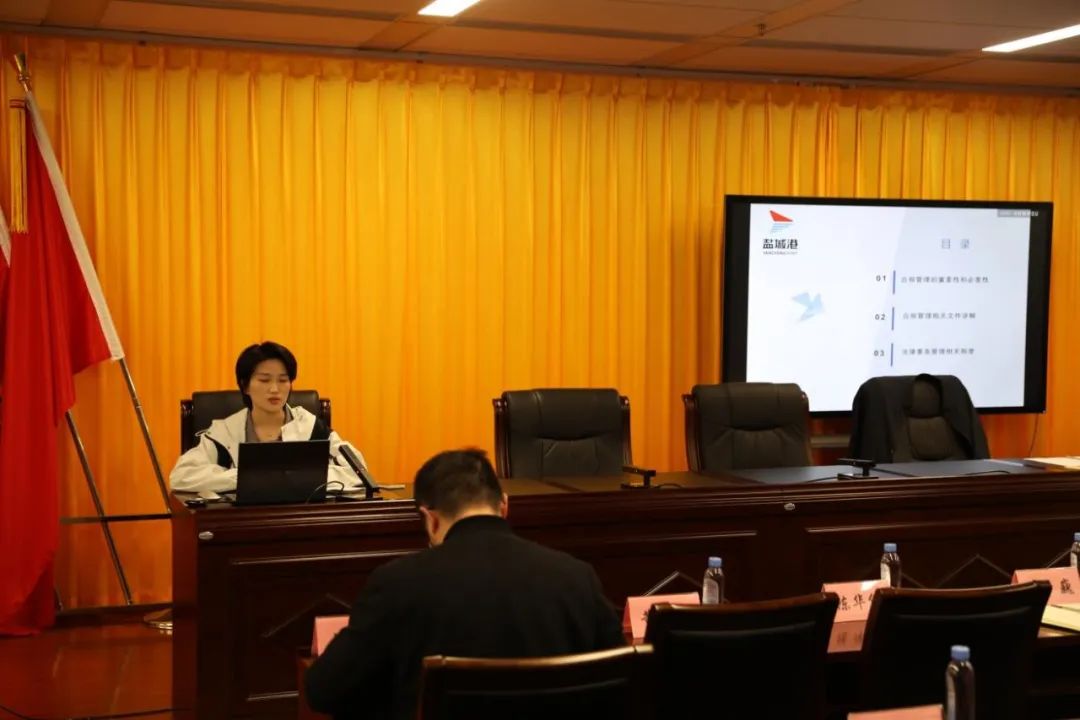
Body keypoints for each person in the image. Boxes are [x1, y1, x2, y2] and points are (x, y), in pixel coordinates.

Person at [304, 449, 624, 720]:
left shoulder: (396, 583)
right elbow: (624, 681)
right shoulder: (576, 576)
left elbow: (323, 690)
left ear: (430, 519)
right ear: (504, 506)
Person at [169, 341, 367, 493]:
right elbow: (182, 476)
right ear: (245, 386)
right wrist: (245, 478)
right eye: (264, 380)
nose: (274, 389)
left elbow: (359, 471)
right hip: (242, 523)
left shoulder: (311, 427)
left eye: (283, 380)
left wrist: (303, 478)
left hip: (302, 519)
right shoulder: (225, 432)